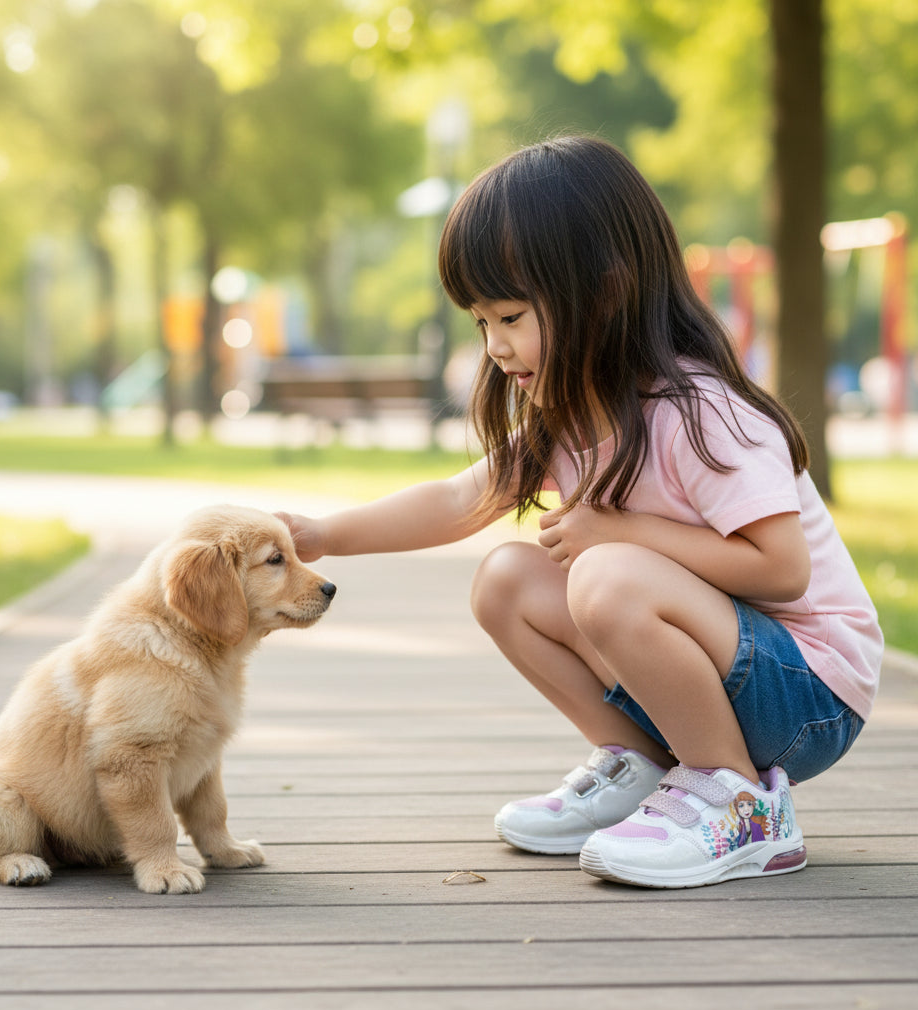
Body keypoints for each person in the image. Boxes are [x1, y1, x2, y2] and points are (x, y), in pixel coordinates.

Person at [278, 135, 882, 889]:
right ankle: (643, 767)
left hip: (809, 694)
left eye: (511, 316)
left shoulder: (702, 414)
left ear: (603, 294)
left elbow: (783, 570)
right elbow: (458, 500)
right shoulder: (564, 416)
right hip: (723, 672)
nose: (495, 347)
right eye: (481, 323)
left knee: (605, 574)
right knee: (505, 578)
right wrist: (323, 535)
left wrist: (622, 533)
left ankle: (742, 802)